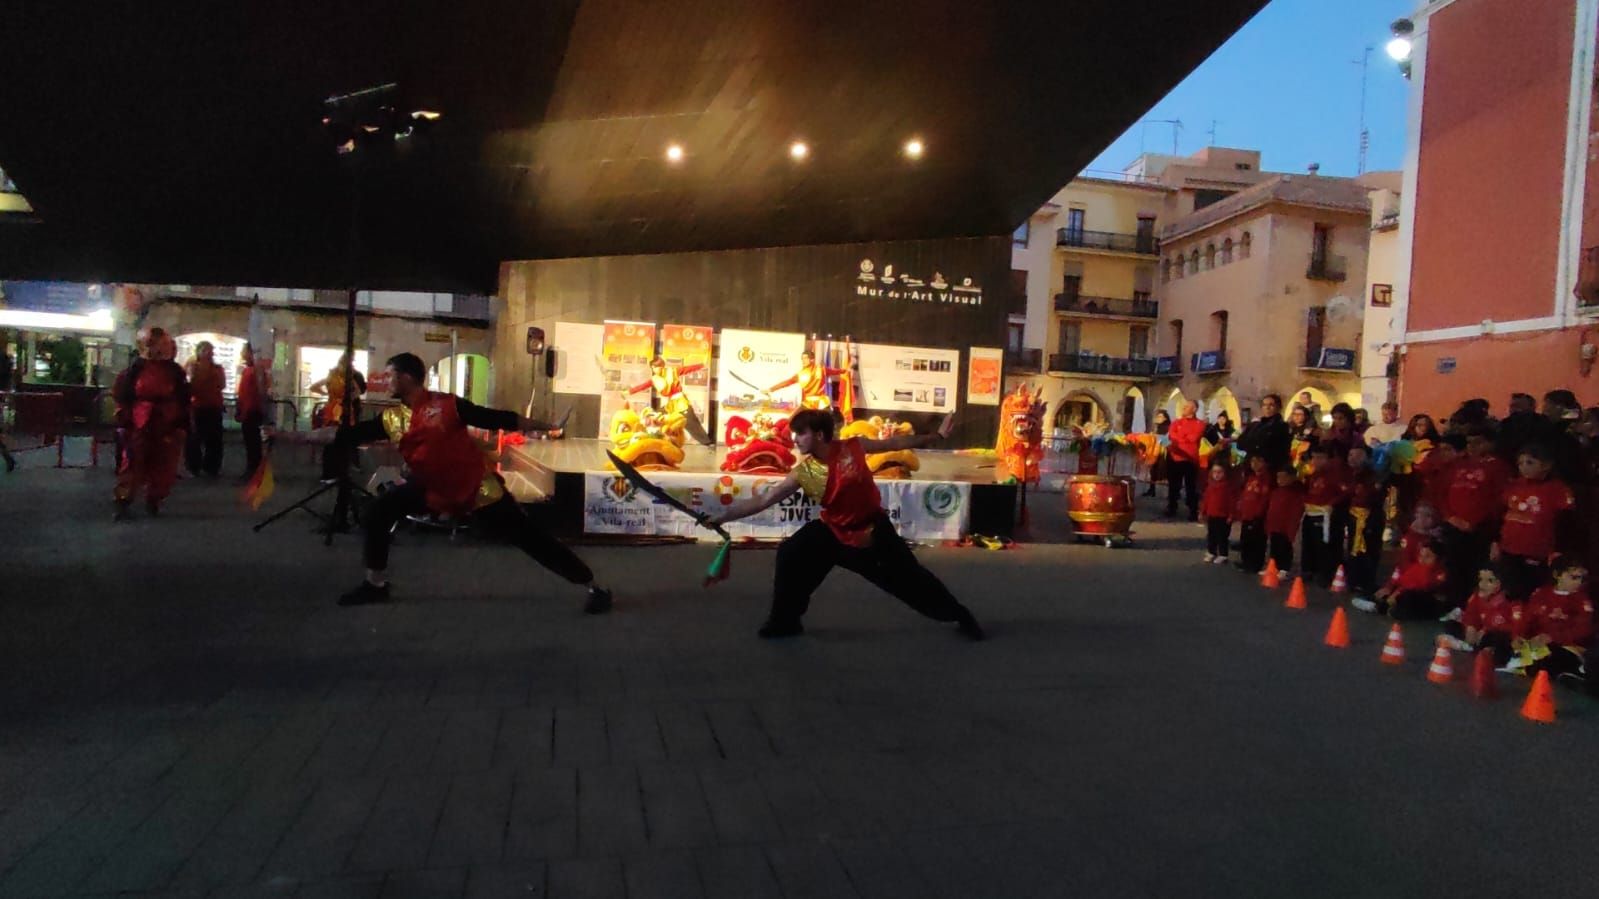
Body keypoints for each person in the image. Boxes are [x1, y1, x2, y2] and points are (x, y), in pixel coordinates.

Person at [324, 353, 613, 613]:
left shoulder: (447, 405)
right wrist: (310, 436)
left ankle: (594, 585)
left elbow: (494, 418)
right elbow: (352, 435)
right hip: (432, 488)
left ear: (407, 377)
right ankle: (375, 584)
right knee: (379, 511)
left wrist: (545, 426)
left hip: (477, 489)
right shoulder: (391, 418)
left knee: (530, 538)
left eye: (390, 375)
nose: (385, 381)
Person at [703, 408, 984, 640]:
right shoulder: (806, 471)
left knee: (910, 579)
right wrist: (722, 517)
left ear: (821, 434)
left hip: (872, 532)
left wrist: (935, 436)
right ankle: (785, 621)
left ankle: (958, 613)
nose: (795, 439)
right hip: (833, 532)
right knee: (791, 554)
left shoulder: (853, 447)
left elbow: (894, 443)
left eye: (801, 433)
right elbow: (765, 499)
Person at [113, 328, 190, 520]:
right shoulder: (135, 369)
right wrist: (125, 418)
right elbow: (123, 394)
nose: (167, 348)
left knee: (164, 463)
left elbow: (184, 398)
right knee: (131, 461)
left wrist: (182, 423)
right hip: (140, 421)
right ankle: (124, 499)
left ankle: (154, 499)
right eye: (162, 344)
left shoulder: (175, 371)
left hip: (166, 422)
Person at [1438, 427, 1511, 607]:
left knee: (1474, 569)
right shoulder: (1459, 465)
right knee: (1453, 568)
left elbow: (1498, 499)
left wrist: (1475, 521)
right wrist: (1450, 517)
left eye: (1478, 442)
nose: (1472, 446)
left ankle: (1471, 608)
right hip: (1454, 524)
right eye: (1469, 442)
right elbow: (1442, 492)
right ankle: (1453, 605)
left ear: (1490, 443)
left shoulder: (1498, 467)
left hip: (1480, 528)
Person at [1494, 443, 1577, 600]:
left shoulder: (1557, 489)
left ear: (1546, 465)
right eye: (1520, 463)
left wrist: (1559, 549)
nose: (1524, 467)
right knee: (1510, 592)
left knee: (1532, 593)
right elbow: (1501, 514)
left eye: (1530, 463)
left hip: (1537, 551)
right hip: (1509, 549)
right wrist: (1495, 541)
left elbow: (1566, 523)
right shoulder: (1514, 486)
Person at [1511, 554, 1592, 679]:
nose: (1578, 582)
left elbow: (1583, 629)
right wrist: (1518, 636)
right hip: (1537, 646)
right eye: (1574, 577)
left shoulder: (1581, 600)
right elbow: (1526, 619)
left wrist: (1553, 637)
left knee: (1554, 658)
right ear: (1557, 575)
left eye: (1581, 578)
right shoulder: (1541, 594)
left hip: (1567, 647)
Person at [311, 353, 368, 484]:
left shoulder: (331, 375)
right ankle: (337, 471)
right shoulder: (349, 376)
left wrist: (328, 395)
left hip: (331, 409)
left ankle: (328, 473)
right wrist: (346, 399)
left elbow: (314, 386)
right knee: (340, 440)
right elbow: (358, 391)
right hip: (343, 410)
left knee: (330, 440)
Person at [1300, 444, 1351, 586]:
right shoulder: (1313, 475)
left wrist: (1331, 504)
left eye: (1321, 458)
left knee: (1324, 545)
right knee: (1309, 541)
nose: (1317, 461)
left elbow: (1344, 492)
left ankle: (1326, 573)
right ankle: (1309, 569)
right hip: (1311, 512)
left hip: (1326, 515)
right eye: (1314, 458)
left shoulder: (1335, 475)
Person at [1444, 566, 1518, 662]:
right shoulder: (1476, 597)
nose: (1482, 584)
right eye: (1481, 580)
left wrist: (1485, 630)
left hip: (1497, 635)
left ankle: (1480, 649)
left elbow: (1506, 627)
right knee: (1451, 625)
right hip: (1479, 633)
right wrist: (1470, 627)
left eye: (1489, 581)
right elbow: (1471, 615)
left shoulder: (1506, 603)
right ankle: (1471, 645)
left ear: (1499, 585)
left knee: (1496, 639)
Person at [1344, 444, 1386, 603]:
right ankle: (1354, 579)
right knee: (1353, 548)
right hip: (1354, 514)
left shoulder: (1372, 475)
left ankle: (1367, 582)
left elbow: (1374, 496)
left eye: (1357, 455)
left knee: (1368, 548)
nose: (1352, 458)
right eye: (1350, 455)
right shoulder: (1350, 474)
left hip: (1370, 515)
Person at [1361, 541, 1446, 619]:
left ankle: (1383, 607)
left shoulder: (1439, 572)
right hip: (1401, 592)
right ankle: (1380, 604)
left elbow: (1423, 586)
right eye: (1421, 556)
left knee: (1409, 597)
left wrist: (1398, 593)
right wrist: (1389, 587)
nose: (1422, 560)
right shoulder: (1414, 565)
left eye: (1428, 556)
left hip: (1419, 599)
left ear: (1438, 559)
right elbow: (1399, 578)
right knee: (1373, 588)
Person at [184, 340, 226, 478]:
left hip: (214, 406)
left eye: (210, 350)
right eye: (205, 350)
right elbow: (191, 385)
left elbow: (221, 384)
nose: (208, 353)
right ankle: (194, 466)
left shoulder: (217, 369)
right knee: (195, 438)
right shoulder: (193, 367)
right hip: (198, 406)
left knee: (214, 439)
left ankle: (211, 466)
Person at [235, 342, 271, 480]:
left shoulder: (255, 370)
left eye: (244, 351)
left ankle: (254, 469)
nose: (242, 354)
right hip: (248, 409)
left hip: (253, 410)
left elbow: (260, 391)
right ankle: (252, 468)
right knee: (250, 442)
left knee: (253, 442)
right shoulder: (249, 370)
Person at [1165, 401, 1206, 521]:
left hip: (1190, 459)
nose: (1183, 407)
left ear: (1194, 409)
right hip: (1174, 456)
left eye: (1187, 406)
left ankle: (1193, 511)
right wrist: (1183, 438)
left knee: (1191, 486)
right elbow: (1171, 436)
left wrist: (1179, 438)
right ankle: (1172, 507)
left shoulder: (1199, 424)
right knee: (1173, 485)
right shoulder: (1176, 422)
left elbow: (1193, 438)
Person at [767, 350, 846, 411]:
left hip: (821, 404)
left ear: (812, 359)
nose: (803, 360)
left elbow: (836, 371)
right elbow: (787, 382)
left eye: (805, 358)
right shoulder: (801, 374)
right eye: (802, 358)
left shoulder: (822, 369)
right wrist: (771, 389)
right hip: (809, 404)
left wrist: (845, 371)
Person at [1233, 454, 1273, 573]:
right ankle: (1246, 561)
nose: (1255, 464)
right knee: (1246, 538)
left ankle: (1255, 564)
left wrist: (1259, 514)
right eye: (1253, 461)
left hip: (1257, 515)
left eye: (1258, 461)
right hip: (1247, 513)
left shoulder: (1266, 479)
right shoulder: (1251, 477)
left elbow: (1265, 498)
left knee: (1257, 540)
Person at [629, 356, 704, 416]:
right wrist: (629, 391)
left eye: (655, 367)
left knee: (694, 428)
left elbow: (687, 369)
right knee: (657, 418)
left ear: (661, 366)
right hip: (671, 404)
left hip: (681, 404)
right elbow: (642, 386)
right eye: (652, 368)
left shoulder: (673, 371)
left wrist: (701, 365)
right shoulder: (655, 379)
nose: (654, 369)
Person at [1266, 466, 1305, 575]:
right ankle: (1273, 566)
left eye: (1284, 477)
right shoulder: (1275, 492)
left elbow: (1296, 513)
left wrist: (1291, 529)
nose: (1280, 480)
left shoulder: (1295, 494)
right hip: (1274, 524)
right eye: (1278, 477)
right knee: (1274, 547)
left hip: (1285, 526)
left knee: (1285, 547)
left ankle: (1284, 568)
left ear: (1292, 478)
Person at [1237, 393, 1291, 471]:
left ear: (1278, 407)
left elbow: (1267, 446)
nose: (1267, 408)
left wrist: (1252, 444)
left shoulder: (1281, 426)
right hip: (1250, 466)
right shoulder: (1255, 425)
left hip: (1268, 468)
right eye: (1264, 405)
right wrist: (1255, 445)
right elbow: (1240, 443)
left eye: (1271, 405)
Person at [1199, 461, 1236, 564]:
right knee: (1211, 535)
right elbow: (1206, 500)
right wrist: (1202, 512)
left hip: (1223, 516)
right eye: (1214, 472)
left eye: (1220, 472)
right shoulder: (1210, 486)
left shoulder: (1228, 487)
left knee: (1222, 536)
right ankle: (1212, 551)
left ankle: (1223, 554)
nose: (1217, 475)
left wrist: (1231, 515)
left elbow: (1232, 502)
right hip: (1212, 515)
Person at [1144, 409, 1171, 497]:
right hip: (1155, 451)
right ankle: (1152, 489)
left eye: (1160, 416)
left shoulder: (1168, 427)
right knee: (1153, 471)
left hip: (1163, 452)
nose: (1158, 418)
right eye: (1158, 416)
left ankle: (1169, 493)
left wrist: (1156, 437)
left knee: (1163, 471)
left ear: (1165, 418)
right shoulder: (1158, 427)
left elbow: (1167, 440)